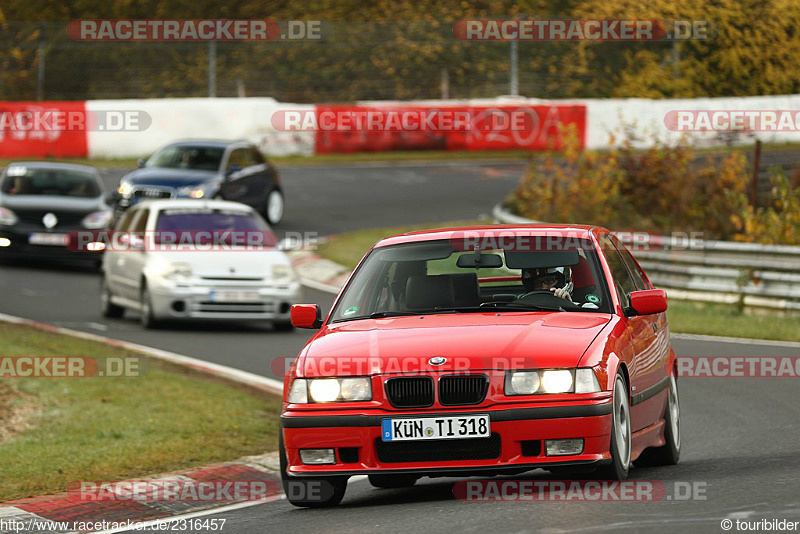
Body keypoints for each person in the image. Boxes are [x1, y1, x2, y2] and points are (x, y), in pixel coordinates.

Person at [519, 266, 599, 309]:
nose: (543, 287)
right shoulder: (517, 307)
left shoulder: (586, 307)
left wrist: (569, 305)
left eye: (549, 281)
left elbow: (597, 317)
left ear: (564, 280)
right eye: (537, 283)